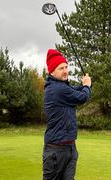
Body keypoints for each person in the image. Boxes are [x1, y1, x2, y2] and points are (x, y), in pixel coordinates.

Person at [42, 49, 91, 180]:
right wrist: (87, 86)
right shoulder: (57, 89)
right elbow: (82, 97)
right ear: (52, 71)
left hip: (70, 147)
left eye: (66, 67)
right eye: (60, 68)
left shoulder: (62, 86)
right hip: (56, 150)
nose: (65, 71)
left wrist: (85, 85)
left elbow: (75, 89)